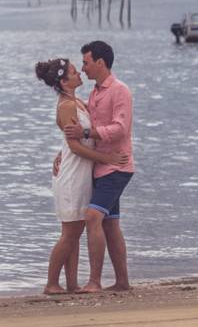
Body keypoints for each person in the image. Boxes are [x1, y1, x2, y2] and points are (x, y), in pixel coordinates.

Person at [35, 58, 128, 295]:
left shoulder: (75, 101)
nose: (80, 74)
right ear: (64, 81)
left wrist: (61, 151)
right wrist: (106, 159)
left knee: (74, 230)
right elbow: (75, 146)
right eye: (75, 72)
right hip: (73, 173)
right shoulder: (66, 105)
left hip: (81, 170)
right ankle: (51, 283)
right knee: (71, 232)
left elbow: (74, 140)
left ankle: (71, 283)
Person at [58, 40, 135, 293]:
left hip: (117, 165)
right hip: (99, 167)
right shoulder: (93, 93)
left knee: (92, 217)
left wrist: (88, 131)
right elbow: (80, 134)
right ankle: (122, 282)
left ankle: (94, 281)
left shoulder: (119, 90)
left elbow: (120, 128)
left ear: (100, 63)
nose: (83, 68)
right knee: (110, 224)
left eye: (86, 62)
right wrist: (62, 152)